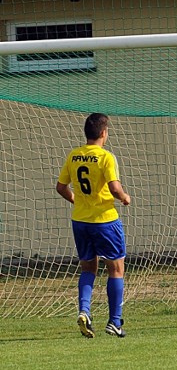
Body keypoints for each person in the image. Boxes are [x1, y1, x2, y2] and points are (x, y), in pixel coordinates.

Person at [56, 113, 131, 338]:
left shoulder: (74, 155)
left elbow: (60, 187)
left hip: (80, 221)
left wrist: (77, 201)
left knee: (88, 268)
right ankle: (115, 321)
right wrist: (124, 197)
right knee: (116, 268)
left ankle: (84, 311)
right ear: (103, 133)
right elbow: (115, 187)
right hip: (105, 220)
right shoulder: (106, 157)